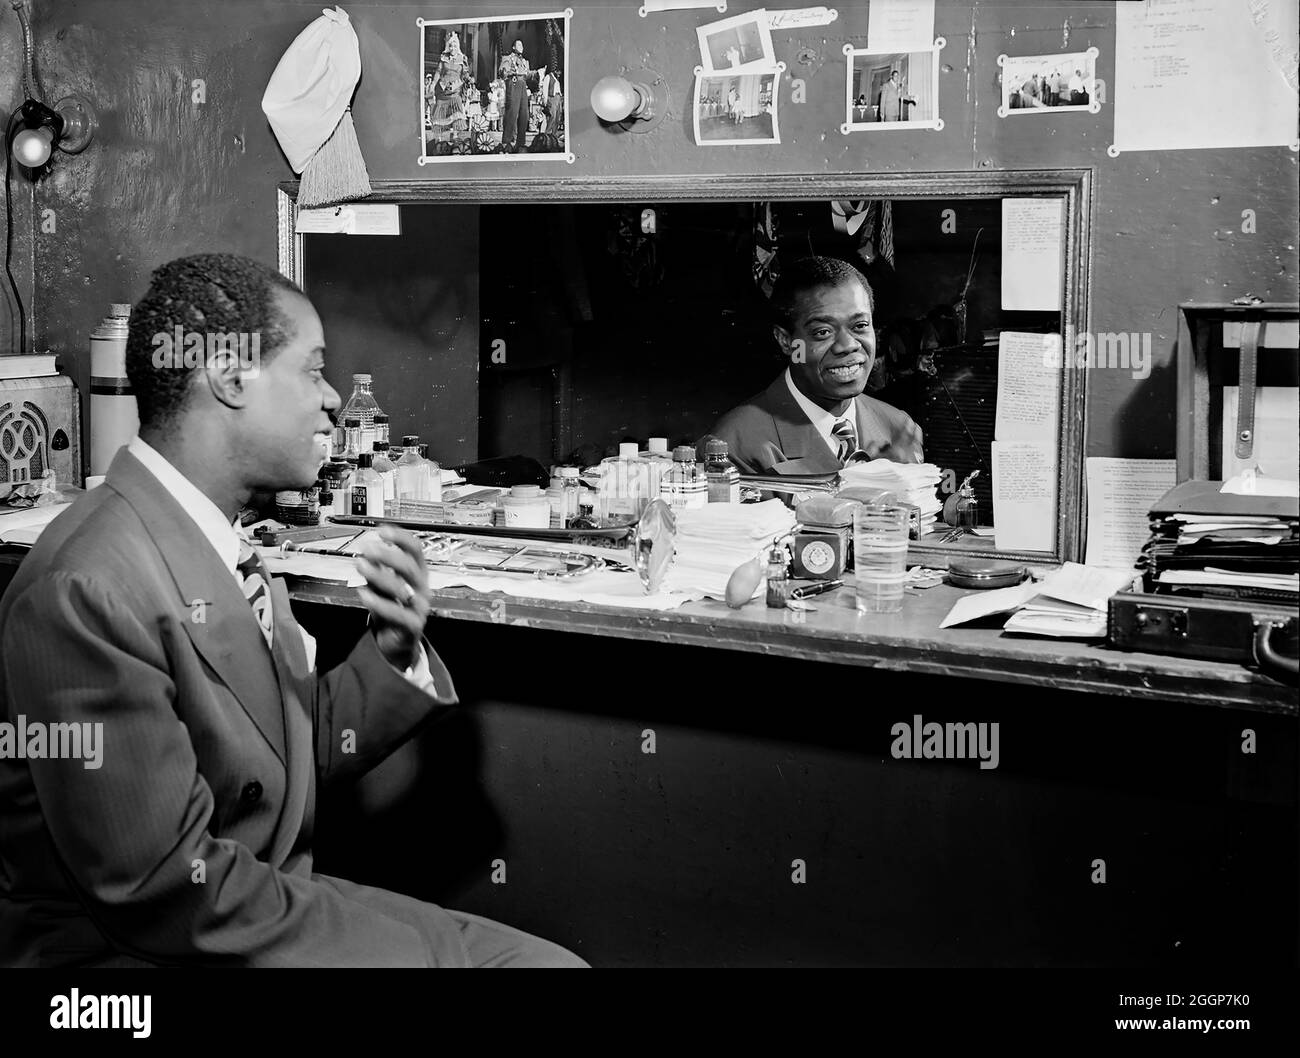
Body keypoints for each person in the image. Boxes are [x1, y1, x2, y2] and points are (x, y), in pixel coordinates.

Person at [0, 254, 588, 968]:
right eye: (311, 370)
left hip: (250, 904)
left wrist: (393, 653)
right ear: (226, 375)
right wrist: (417, 957)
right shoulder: (85, 589)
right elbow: (166, 891)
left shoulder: (218, 537)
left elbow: (274, 754)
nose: (334, 397)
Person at [700, 256, 924, 475]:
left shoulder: (900, 428)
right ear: (786, 341)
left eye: (860, 325)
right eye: (822, 332)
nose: (847, 345)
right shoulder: (735, 445)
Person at [499, 39, 544, 153]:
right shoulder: (508, 58)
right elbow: (503, 72)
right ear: (513, 47)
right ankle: (507, 141)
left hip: (523, 85)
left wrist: (537, 72)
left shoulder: (525, 61)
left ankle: (521, 142)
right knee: (512, 113)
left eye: (522, 45)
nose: (521, 47)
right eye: (519, 45)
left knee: (524, 114)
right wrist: (511, 72)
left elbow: (527, 74)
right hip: (513, 84)